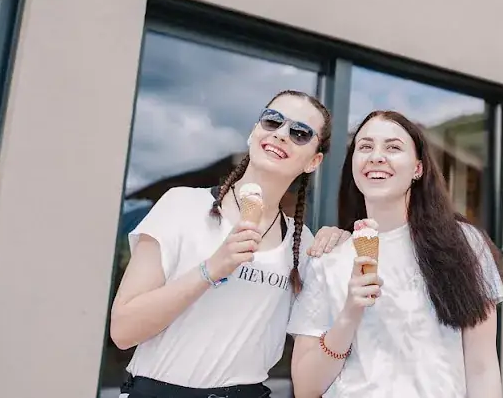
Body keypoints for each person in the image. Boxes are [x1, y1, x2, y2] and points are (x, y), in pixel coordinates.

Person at [110, 89, 350, 398]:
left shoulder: (304, 244)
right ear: (253, 133)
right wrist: (211, 269)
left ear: (314, 161)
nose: (281, 134)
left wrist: (341, 245)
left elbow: (321, 340)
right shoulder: (181, 204)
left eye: (300, 132)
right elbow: (123, 331)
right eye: (272, 121)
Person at [287, 110, 503, 398]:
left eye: (393, 147)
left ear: (418, 168)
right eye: (365, 147)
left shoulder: (464, 243)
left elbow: (482, 368)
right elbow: (306, 388)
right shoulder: (328, 257)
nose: (377, 156)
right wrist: (349, 313)